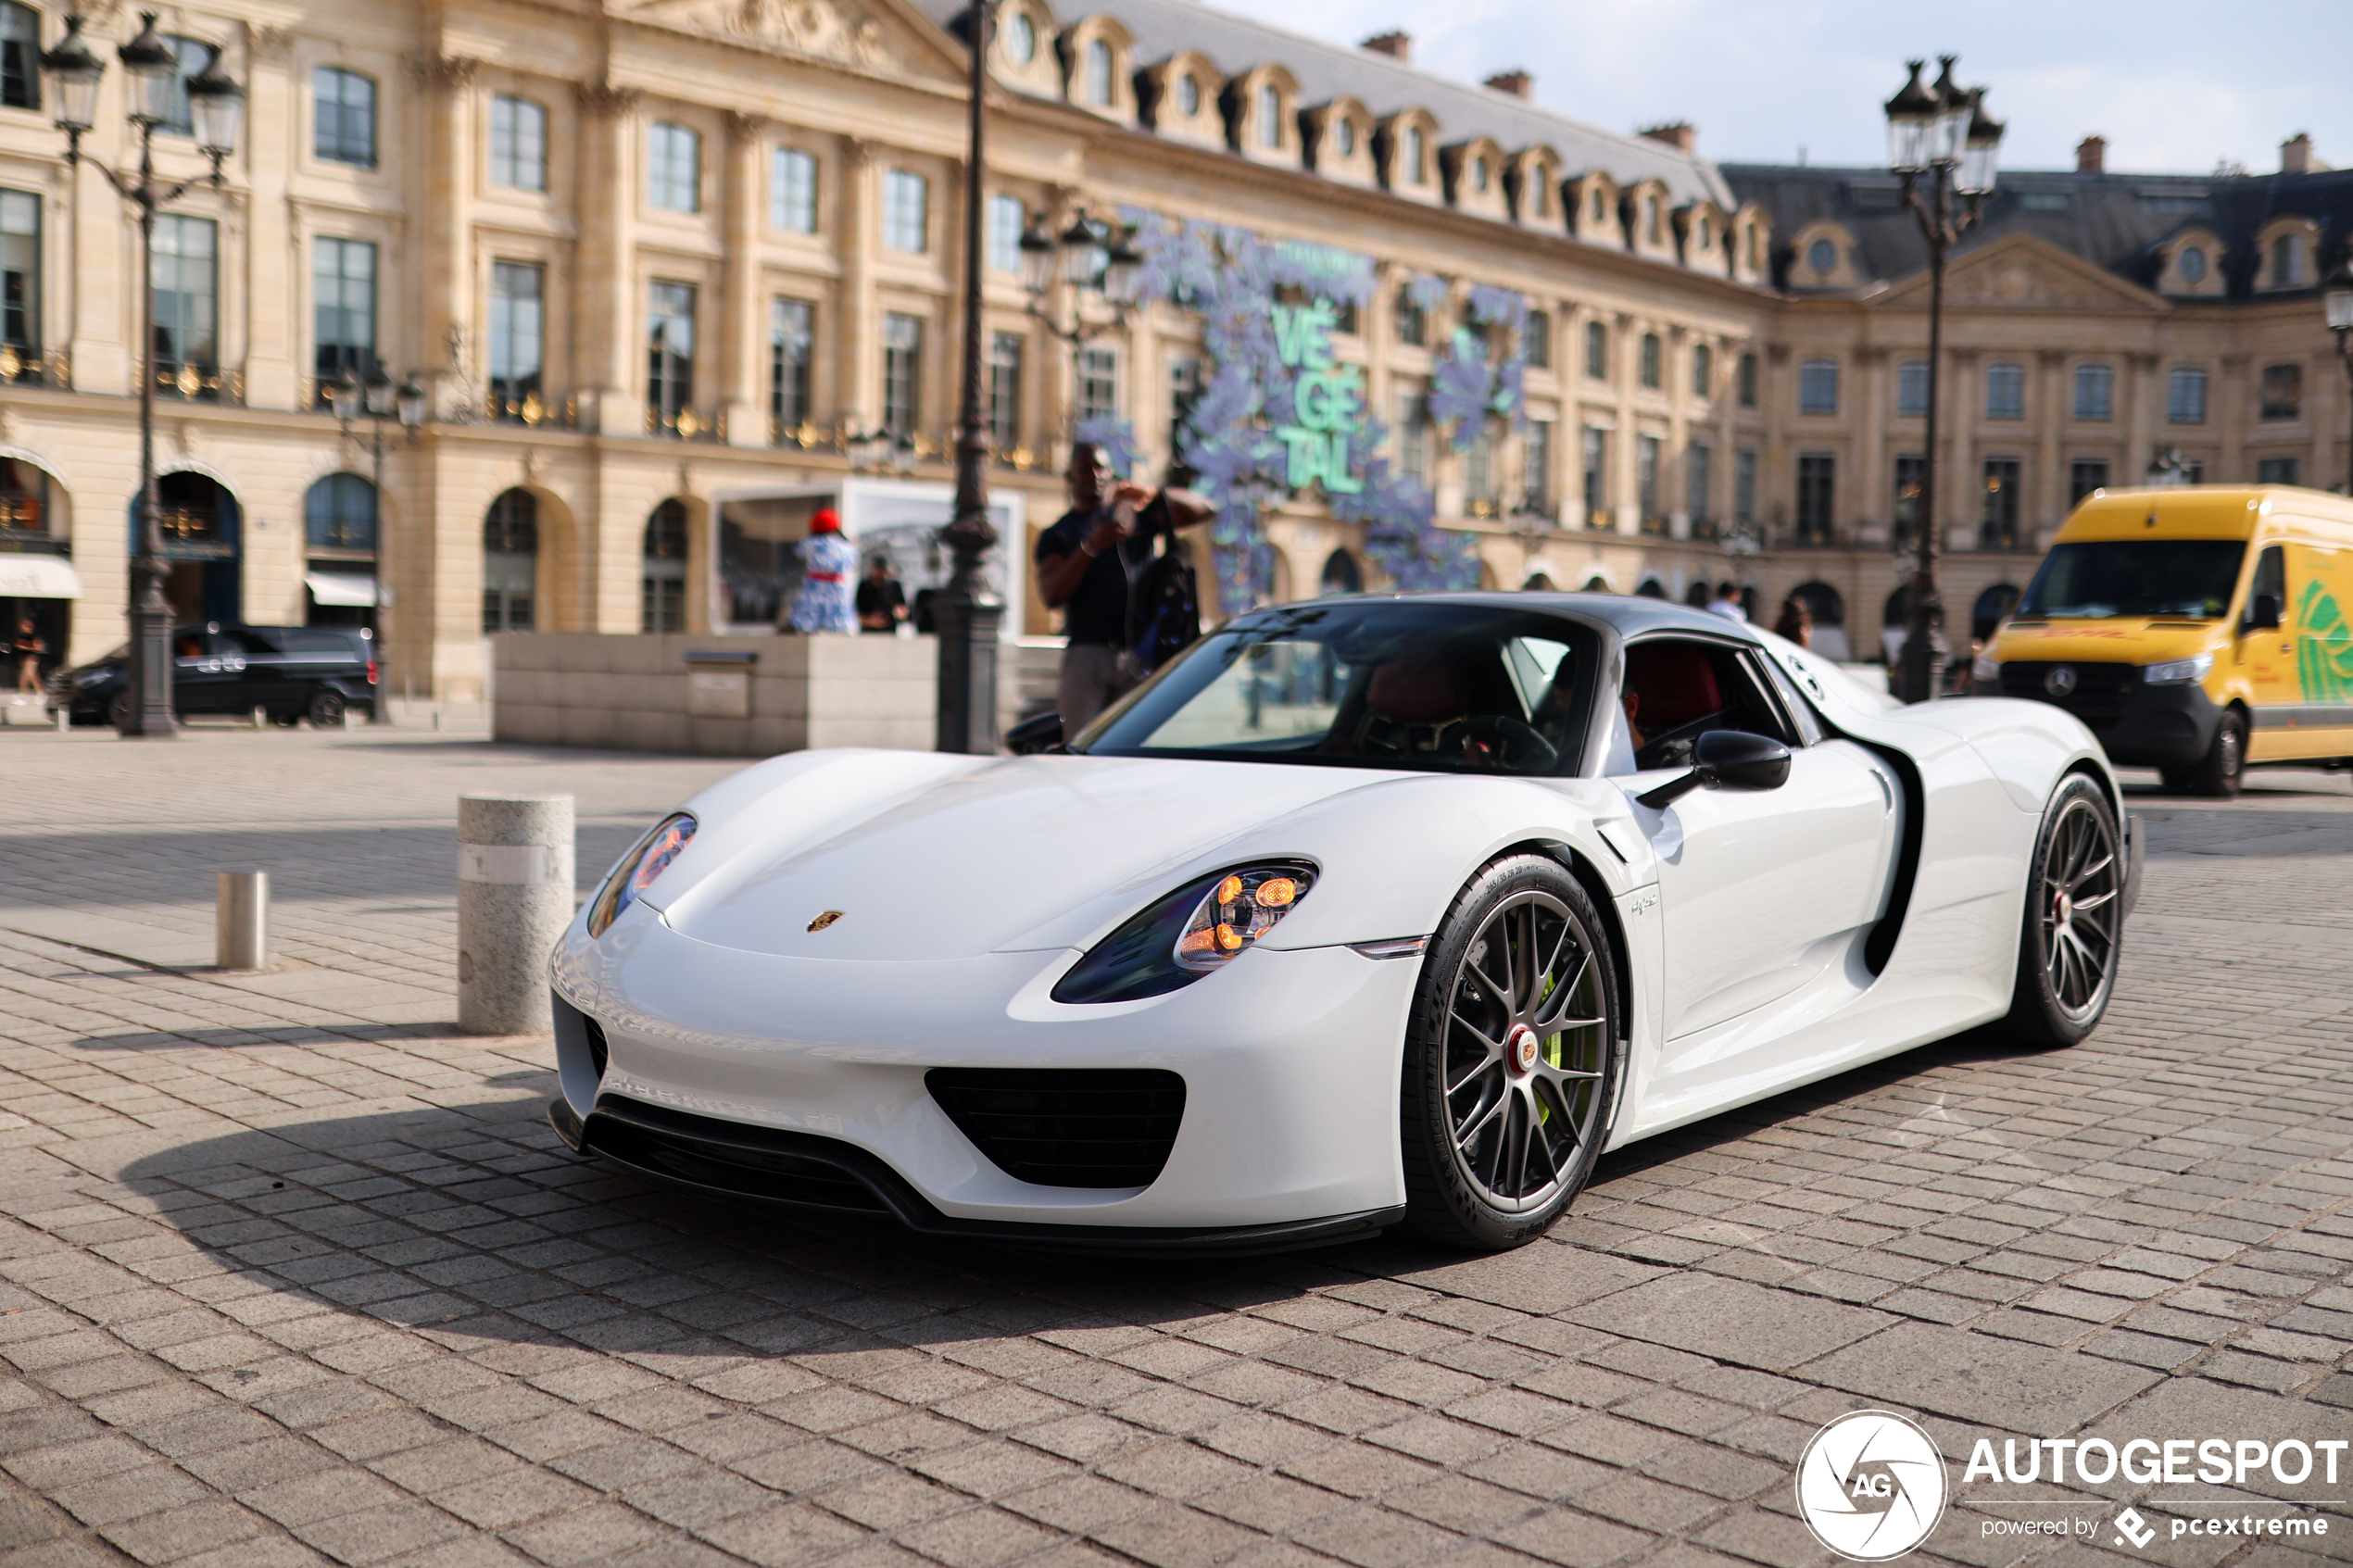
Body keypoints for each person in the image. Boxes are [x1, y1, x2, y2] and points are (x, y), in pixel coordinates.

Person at [1034, 443, 1214, 734]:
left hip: (1138, 654)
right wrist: (1090, 548)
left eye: (1101, 467)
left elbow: (1205, 510)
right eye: (1085, 468)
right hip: (1087, 655)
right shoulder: (1059, 533)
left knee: (1134, 747)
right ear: (1070, 476)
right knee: (1081, 745)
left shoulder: (1136, 518)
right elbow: (1052, 595)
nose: (1094, 475)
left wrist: (1155, 494)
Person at [785, 508, 859, 633]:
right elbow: (853, 562)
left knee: (808, 617)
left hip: (814, 585)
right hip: (837, 586)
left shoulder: (808, 544)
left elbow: (798, 554)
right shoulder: (846, 547)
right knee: (839, 621)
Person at [856, 554, 908, 633]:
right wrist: (871, 621)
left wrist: (899, 612)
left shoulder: (894, 586)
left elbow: (904, 609)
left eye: (884, 570)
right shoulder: (864, 587)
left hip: (890, 633)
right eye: (879, 569)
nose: (882, 573)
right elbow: (856, 614)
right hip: (869, 633)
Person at [12, 619, 44, 694]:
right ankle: (39, 692)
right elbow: (16, 644)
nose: (26, 628)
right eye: (24, 626)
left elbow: (38, 647)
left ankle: (38, 692)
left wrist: (26, 645)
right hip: (24, 658)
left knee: (29, 675)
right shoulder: (21, 636)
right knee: (27, 676)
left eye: (28, 626)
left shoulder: (34, 636)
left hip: (31, 658)